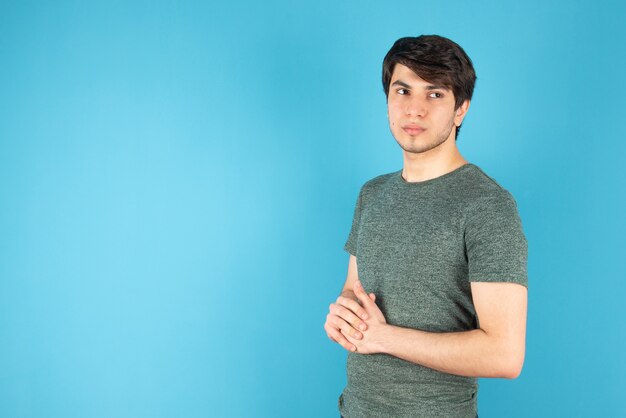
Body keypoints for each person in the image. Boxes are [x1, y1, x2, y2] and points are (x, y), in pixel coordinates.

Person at [324, 35, 528, 418]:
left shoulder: (487, 205)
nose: (414, 109)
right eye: (403, 90)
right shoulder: (372, 194)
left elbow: (505, 354)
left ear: (460, 109)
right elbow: (354, 288)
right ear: (387, 100)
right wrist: (345, 315)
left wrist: (385, 338)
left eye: (434, 95)